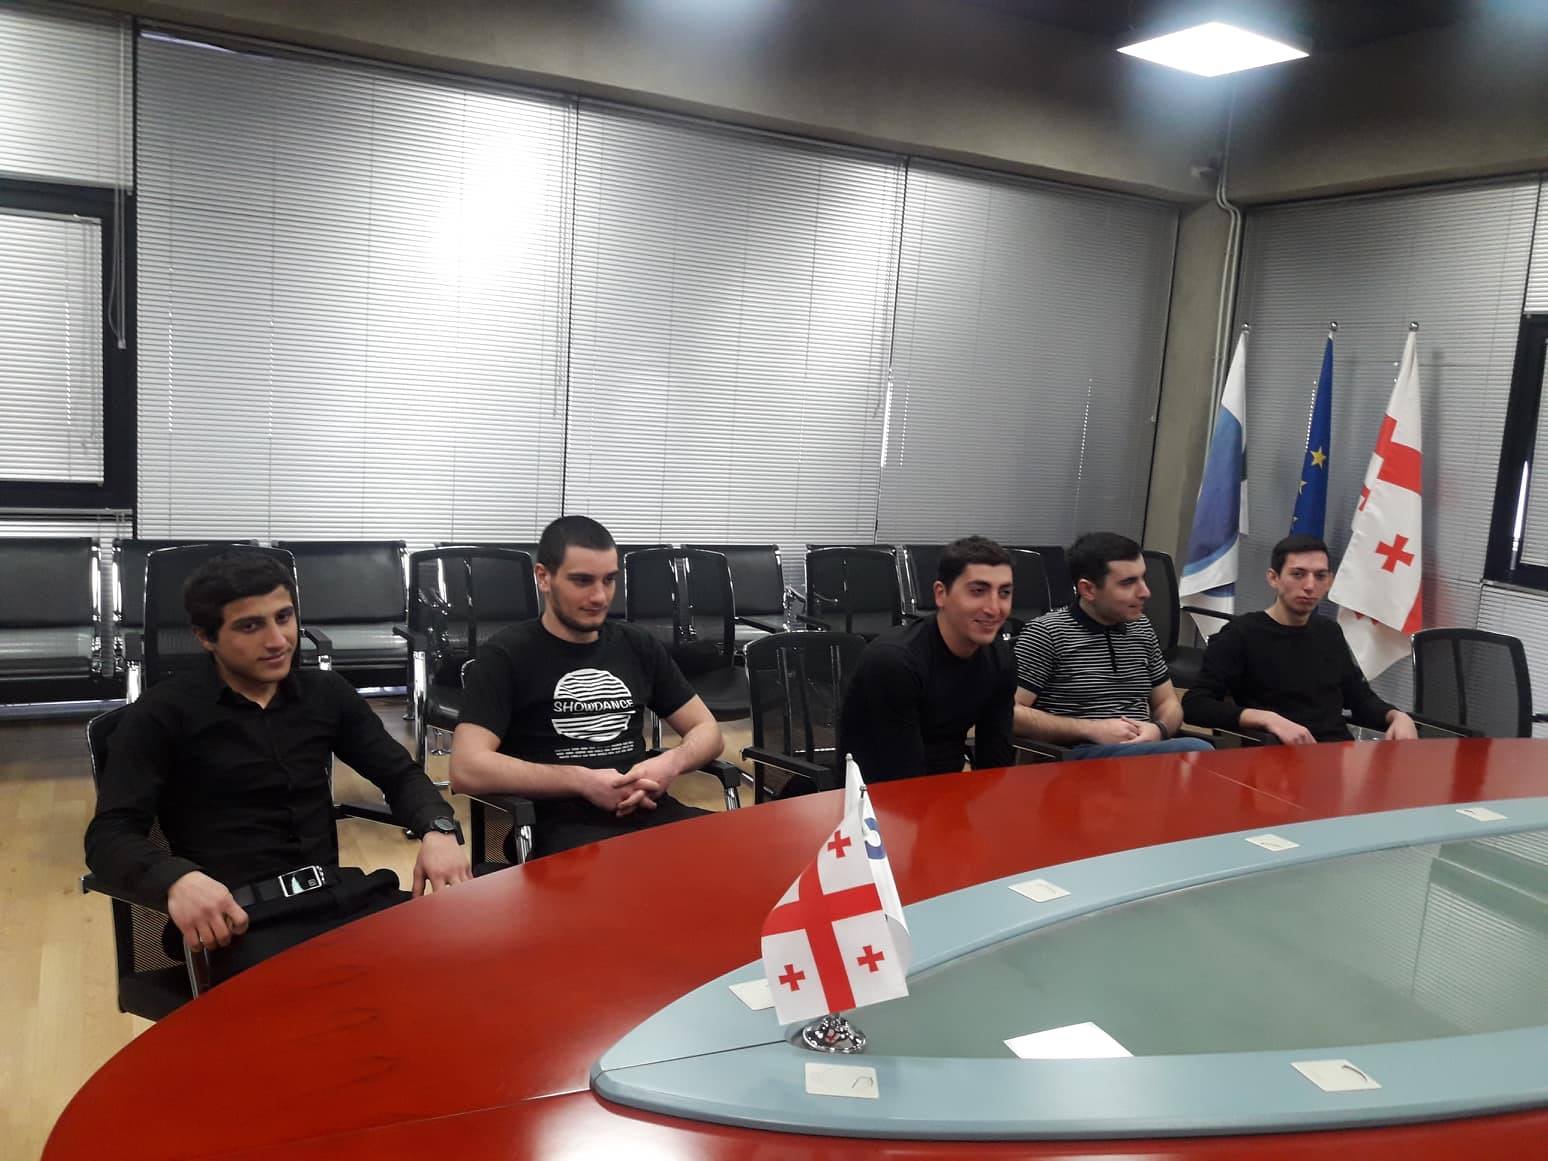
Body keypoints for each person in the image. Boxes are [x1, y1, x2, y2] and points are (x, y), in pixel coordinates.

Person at [86, 551, 469, 984]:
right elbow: (109, 835)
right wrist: (177, 880)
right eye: (250, 626)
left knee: (462, 966)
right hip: (241, 923)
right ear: (205, 638)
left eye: (284, 618)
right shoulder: (162, 714)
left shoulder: (326, 695)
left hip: (340, 899)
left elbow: (399, 775)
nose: (278, 640)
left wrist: (438, 829)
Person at [449, 516, 725, 858]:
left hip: (650, 813)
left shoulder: (637, 645)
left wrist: (671, 763)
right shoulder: (506, 656)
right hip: (558, 829)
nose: (599, 596)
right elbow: (466, 768)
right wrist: (582, 781)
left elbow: (708, 731)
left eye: (609, 580)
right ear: (543, 577)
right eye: (582, 581)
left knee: (743, 856)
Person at [1182, 534, 1419, 744]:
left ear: (1329, 582)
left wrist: (1396, 716)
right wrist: (1266, 719)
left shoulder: (1329, 632)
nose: (1309, 586)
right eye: (1298, 574)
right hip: (1278, 758)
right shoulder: (1241, 634)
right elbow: (1196, 705)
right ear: (1274, 578)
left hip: (1337, 756)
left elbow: (1360, 698)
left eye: (1320, 576)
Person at [1013, 531, 1212, 759]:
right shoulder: (1046, 633)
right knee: (1199, 752)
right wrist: (1090, 729)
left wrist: (1160, 729)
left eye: (1143, 578)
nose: (1145, 592)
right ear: (1088, 590)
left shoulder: (1141, 628)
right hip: (1077, 755)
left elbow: (1168, 702)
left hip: (1141, 751)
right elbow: (1010, 713)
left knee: (1204, 758)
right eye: (1128, 583)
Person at [839, 535, 1017, 783]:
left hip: (947, 786)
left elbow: (996, 760)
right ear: (941, 594)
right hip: (875, 794)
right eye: (978, 591)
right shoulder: (895, 661)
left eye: (1004, 593)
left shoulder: (1000, 658)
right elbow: (902, 776)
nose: (994, 608)